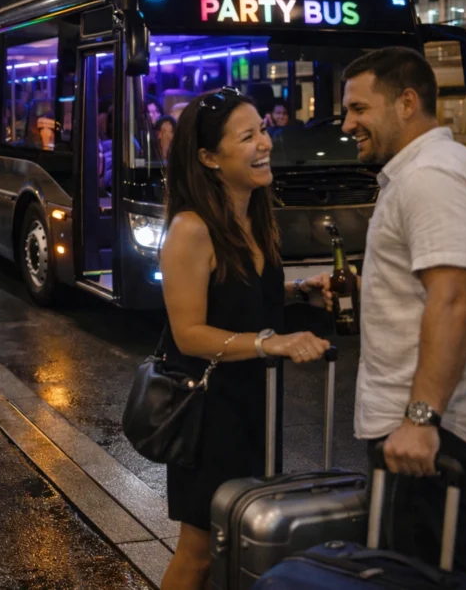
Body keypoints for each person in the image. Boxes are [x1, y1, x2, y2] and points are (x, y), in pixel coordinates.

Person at [157, 86, 332, 590]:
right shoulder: (191, 228)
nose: (266, 143)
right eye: (248, 135)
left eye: (264, 130)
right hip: (210, 412)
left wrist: (302, 291)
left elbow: (243, 293)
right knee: (199, 551)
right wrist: (268, 342)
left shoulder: (254, 215)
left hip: (256, 401)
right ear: (209, 157)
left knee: (240, 536)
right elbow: (188, 335)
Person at [333, 46, 466, 574]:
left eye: (359, 108)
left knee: (417, 577)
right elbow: (430, 285)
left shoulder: (432, 177)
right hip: (430, 431)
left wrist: (420, 420)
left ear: (406, 102)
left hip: (436, 438)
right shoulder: (426, 171)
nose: (347, 123)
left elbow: (454, 300)